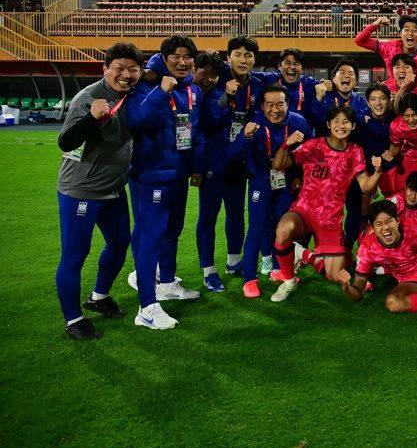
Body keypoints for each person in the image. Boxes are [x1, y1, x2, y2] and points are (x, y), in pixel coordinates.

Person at [55, 42, 144, 339]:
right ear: (105, 69)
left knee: (120, 243)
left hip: (115, 189)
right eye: (119, 68)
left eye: (133, 69)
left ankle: (99, 297)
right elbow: (66, 143)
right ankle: (73, 320)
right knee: (74, 256)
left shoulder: (133, 93)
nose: (126, 74)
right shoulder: (88, 97)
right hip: (82, 191)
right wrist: (91, 118)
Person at [124, 35, 206, 330]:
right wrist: (160, 90)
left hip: (178, 174)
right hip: (151, 175)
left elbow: (193, 130)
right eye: (176, 56)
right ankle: (146, 307)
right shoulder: (145, 85)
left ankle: (167, 283)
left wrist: (195, 166)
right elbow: (136, 121)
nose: (182, 62)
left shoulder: (191, 88)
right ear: (164, 58)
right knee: (151, 236)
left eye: (187, 57)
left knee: (173, 229)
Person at [269, 105, 384, 302]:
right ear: (329, 125)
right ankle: (288, 280)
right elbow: (278, 164)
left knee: (333, 275)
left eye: (346, 122)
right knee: (284, 229)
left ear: (353, 126)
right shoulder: (313, 146)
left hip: (330, 221)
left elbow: (365, 187)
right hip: (304, 211)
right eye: (336, 121)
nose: (341, 125)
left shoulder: (355, 152)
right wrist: (285, 145)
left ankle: (306, 255)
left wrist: (379, 171)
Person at [230, 85, 312, 297]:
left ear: (288, 104)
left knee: (281, 228)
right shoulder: (254, 124)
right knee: (256, 229)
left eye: (280, 104)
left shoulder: (298, 122)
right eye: (269, 105)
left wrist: (299, 179)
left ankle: (278, 269)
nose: (275, 109)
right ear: (262, 106)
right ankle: (249, 279)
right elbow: (235, 156)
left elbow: (308, 155)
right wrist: (245, 137)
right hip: (260, 181)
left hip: (285, 183)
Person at [196, 36, 267, 285]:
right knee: (208, 216)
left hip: (238, 161)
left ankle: (234, 262)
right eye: (238, 54)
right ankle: (208, 271)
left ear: (254, 60)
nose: (243, 59)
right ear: (228, 58)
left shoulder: (258, 84)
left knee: (236, 214)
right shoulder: (216, 80)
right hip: (213, 162)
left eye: (248, 55)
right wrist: (225, 97)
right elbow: (207, 120)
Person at [355, 15, 417, 85]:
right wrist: (375, 25)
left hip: (416, 95)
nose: (410, 33)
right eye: (406, 30)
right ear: (401, 34)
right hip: (392, 92)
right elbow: (360, 41)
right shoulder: (389, 47)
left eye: (414, 30)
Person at [252, 48, 320, 122]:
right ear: (279, 66)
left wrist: (330, 85)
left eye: (296, 64)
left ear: (302, 69)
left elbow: (327, 86)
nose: (292, 67)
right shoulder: (269, 79)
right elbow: (248, 75)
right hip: (273, 130)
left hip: (300, 129)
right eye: (288, 63)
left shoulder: (310, 83)